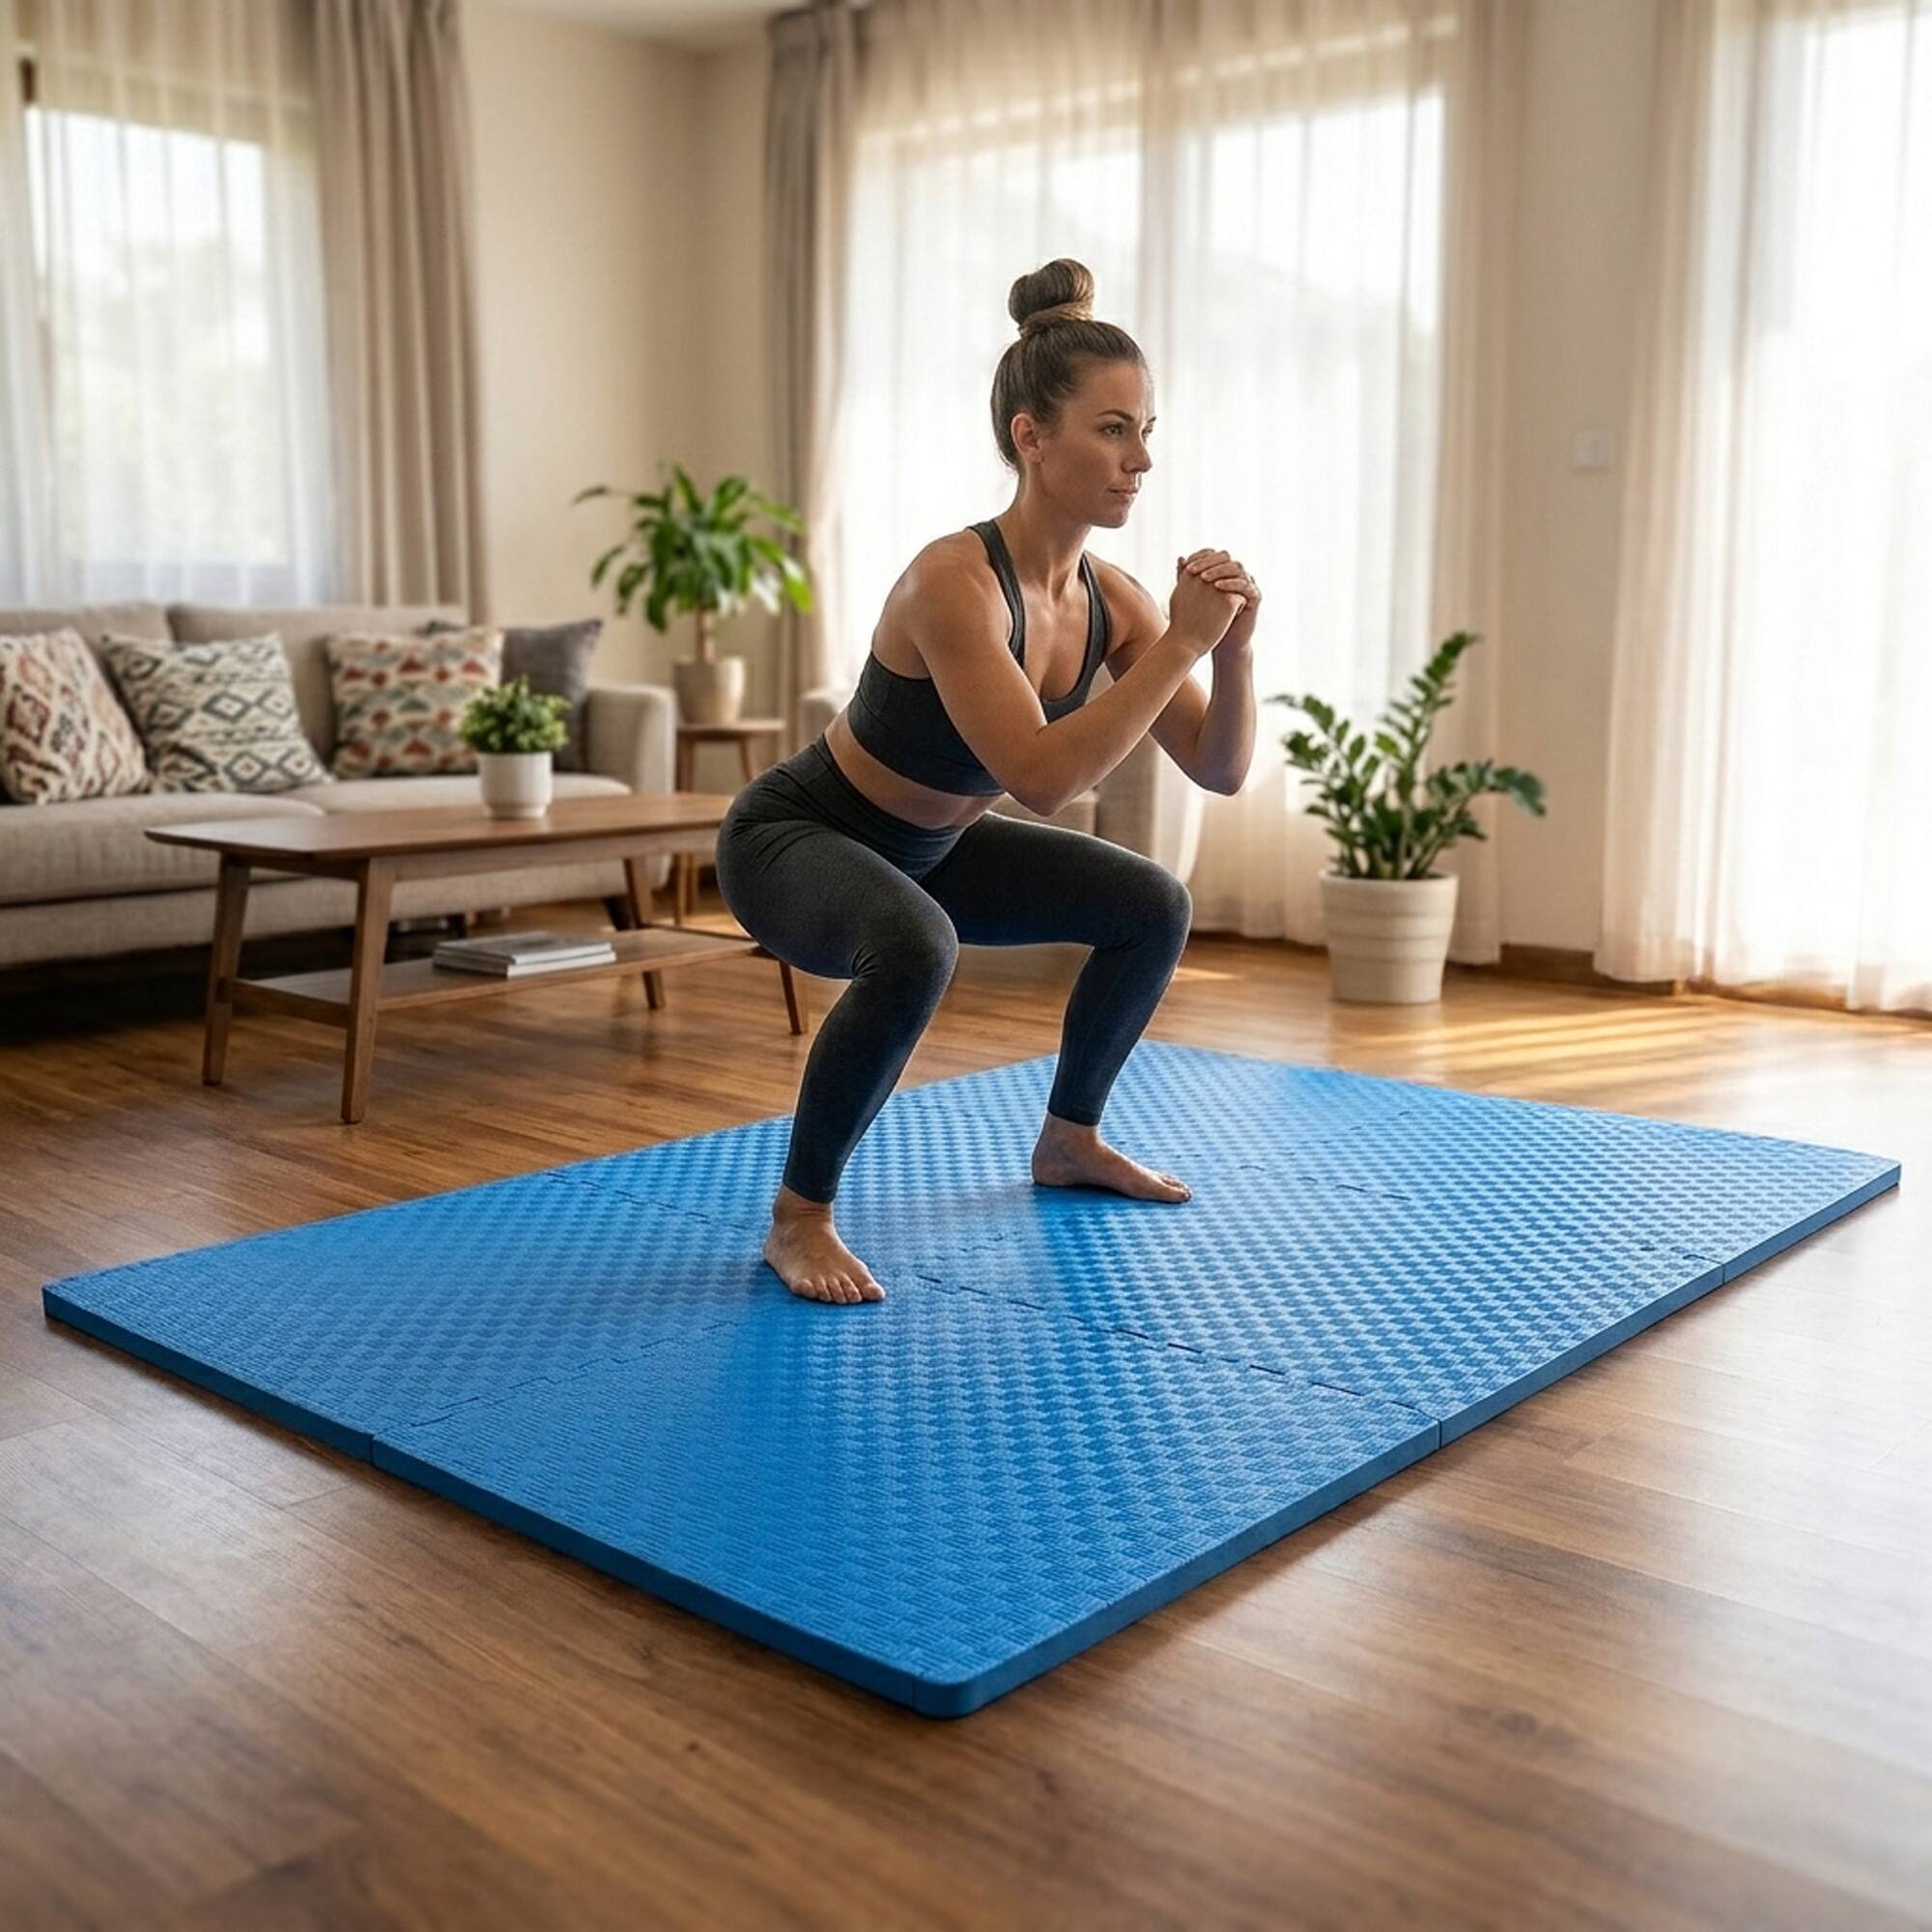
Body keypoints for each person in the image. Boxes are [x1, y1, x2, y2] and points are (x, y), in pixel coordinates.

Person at [714, 257, 1260, 1306]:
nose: (1139, 457)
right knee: (917, 944)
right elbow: (1043, 777)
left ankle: (1069, 1138)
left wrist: (1228, 651)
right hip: (798, 838)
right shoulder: (950, 580)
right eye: (1112, 428)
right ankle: (799, 1217)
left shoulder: (1114, 596)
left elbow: (1221, 768)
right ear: (1030, 436)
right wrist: (1178, 649)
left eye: (1146, 429)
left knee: (1151, 902)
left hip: (932, 847)